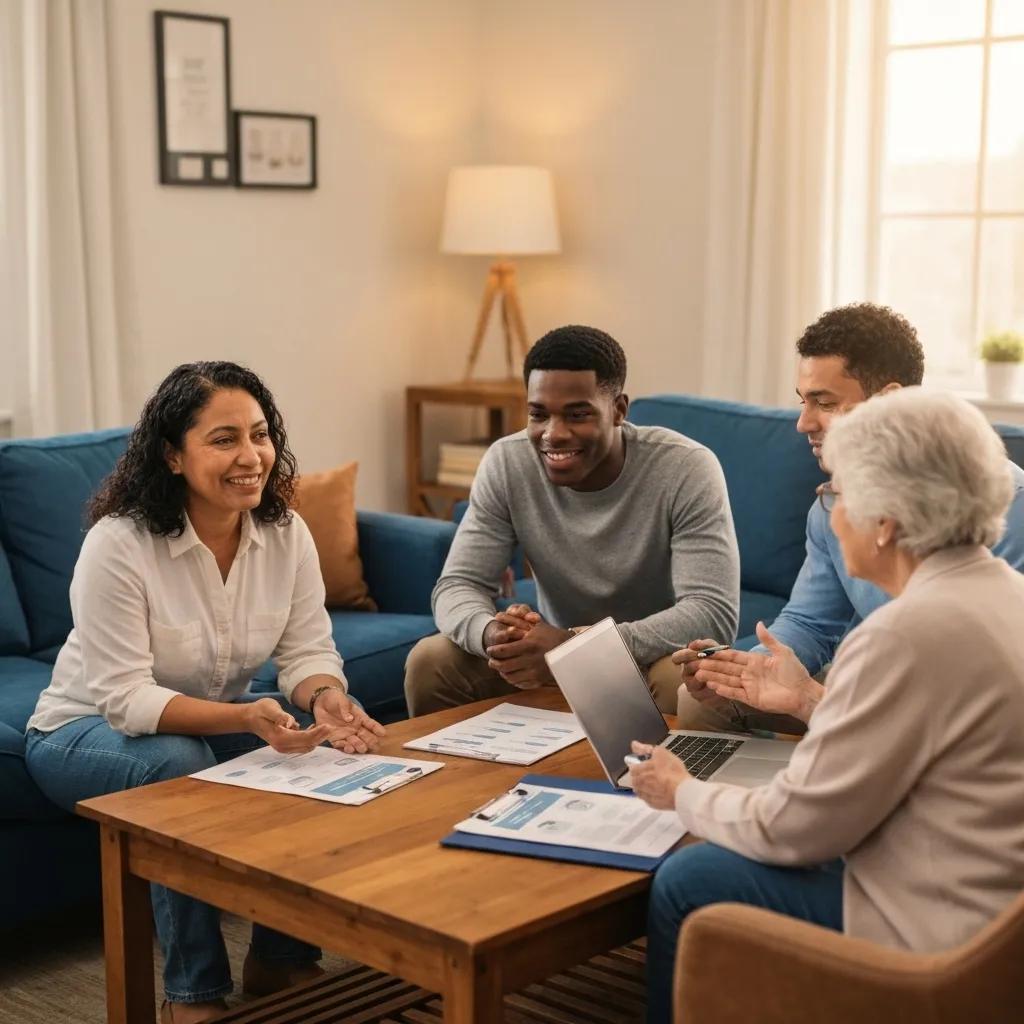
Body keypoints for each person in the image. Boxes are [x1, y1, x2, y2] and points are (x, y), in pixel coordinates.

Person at [629, 389, 1024, 1023]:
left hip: (946, 944)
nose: (830, 512)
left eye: (835, 493)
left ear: (886, 522)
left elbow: (792, 829)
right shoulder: (1007, 595)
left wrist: (679, 790)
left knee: (690, 880)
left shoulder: (903, 633)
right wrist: (810, 702)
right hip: (999, 916)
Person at [25, 362, 386, 1024]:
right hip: (80, 735)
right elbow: (127, 701)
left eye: (259, 434)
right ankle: (190, 994)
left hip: (196, 726)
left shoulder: (285, 532)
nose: (250, 457)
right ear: (172, 455)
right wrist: (248, 716)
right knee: (179, 766)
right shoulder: (120, 544)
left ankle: (279, 959)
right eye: (224, 439)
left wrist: (325, 696)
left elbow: (306, 650)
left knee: (312, 754)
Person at [675, 303, 1024, 732]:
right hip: (871, 682)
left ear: (888, 400)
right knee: (713, 697)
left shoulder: (1000, 504)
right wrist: (752, 667)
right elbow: (809, 621)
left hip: (953, 704)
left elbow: (974, 680)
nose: (804, 423)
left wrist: (816, 698)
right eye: (803, 402)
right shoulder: (831, 504)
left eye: (824, 403)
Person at [404, 325, 740, 717]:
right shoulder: (507, 462)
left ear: (618, 409)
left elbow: (711, 612)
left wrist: (574, 645)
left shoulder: (685, 467)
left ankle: (670, 780)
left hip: (648, 656)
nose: (554, 434)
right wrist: (494, 635)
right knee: (431, 661)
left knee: (683, 682)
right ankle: (459, 779)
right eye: (538, 414)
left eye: (577, 414)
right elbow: (458, 584)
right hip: (554, 659)